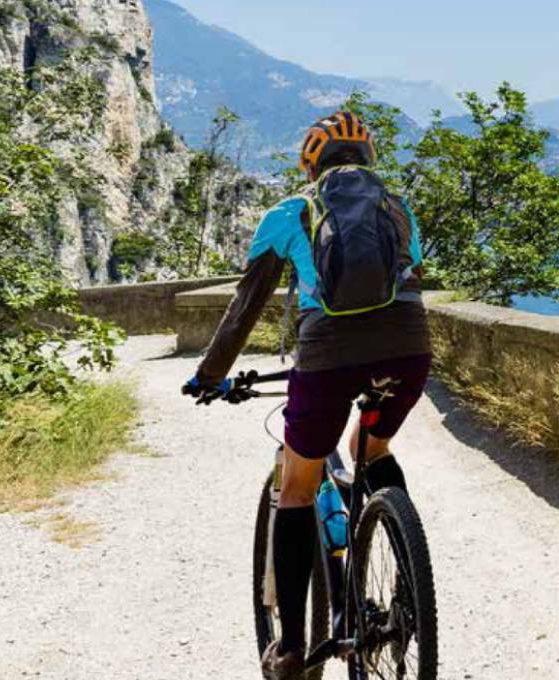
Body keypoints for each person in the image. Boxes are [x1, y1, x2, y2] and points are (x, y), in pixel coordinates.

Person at [181, 111, 432, 679]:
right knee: (373, 443)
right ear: (368, 159)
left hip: (326, 360)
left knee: (297, 486)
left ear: (310, 161)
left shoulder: (289, 212)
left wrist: (210, 374)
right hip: (407, 352)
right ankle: (403, 560)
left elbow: (246, 303)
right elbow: (411, 284)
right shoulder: (398, 208)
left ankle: (292, 646)